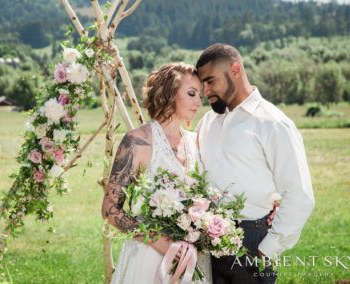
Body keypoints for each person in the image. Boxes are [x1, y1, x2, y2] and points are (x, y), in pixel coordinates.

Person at [195, 43, 315, 284]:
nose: (204, 91)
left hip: (253, 242)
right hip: (207, 243)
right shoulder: (207, 121)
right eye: (201, 85)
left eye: (210, 81)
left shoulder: (273, 123)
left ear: (235, 70)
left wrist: (266, 250)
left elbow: (300, 195)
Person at [102, 62, 212, 283]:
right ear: (169, 94)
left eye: (200, 95)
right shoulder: (138, 141)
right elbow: (110, 209)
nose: (199, 102)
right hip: (148, 259)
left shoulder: (195, 142)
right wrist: (159, 241)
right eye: (191, 93)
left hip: (192, 259)